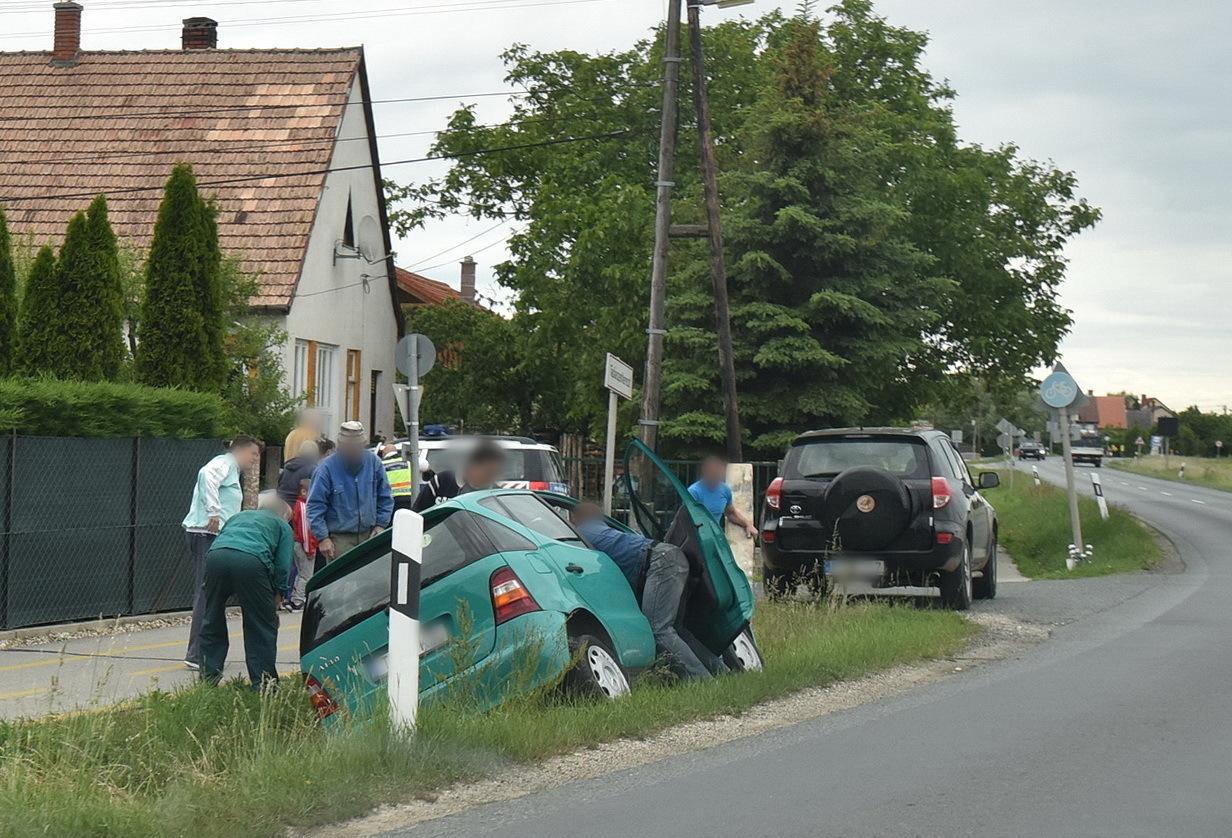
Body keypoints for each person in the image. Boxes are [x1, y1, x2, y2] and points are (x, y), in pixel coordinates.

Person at [570, 503, 719, 681]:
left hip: (660, 563)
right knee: (676, 630)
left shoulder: (583, 533)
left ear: (575, 519)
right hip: (669, 557)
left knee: (658, 630)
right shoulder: (605, 530)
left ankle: (702, 679)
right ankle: (720, 670)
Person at [181, 434, 262, 671]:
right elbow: (207, 474)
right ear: (240, 450)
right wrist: (213, 512)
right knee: (207, 592)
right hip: (206, 534)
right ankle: (197, 654)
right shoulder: (225, 463)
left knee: (211, 592)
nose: (255, 459)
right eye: (253, 454)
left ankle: (203, 653)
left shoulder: (232, 469)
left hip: (212, 535)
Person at [197, 496, 294, 689]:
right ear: (283, 515)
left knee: (212, 619)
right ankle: (264, 685)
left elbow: (222, 538)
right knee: (260, 625)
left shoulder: (238, 516)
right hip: (251, 562)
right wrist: (278, 594)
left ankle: (207, 680)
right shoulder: (282, 526)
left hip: (216, 558)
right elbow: (283, 565)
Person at [306, 421, 393, 563]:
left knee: (371, 576)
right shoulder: (325, 468)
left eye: (357, 446)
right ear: (341, 444)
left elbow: (385, 496)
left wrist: (381, 524)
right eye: (349, 446)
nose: (353, 450)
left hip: (370, 534)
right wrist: (323, 538)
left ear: (363, 443)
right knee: (343, 577)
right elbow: (315, 505)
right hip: (339, 539)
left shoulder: (374, 462)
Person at [412, 440, 505, 511]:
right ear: (474, 465)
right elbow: (418, 513)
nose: (494, 476)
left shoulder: (496, 495)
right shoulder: (442, 481)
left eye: (497, 472)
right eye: (490, 471)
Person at [688, 455, 758, 539]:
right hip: (696, 537)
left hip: (715, 538)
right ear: (704, 472)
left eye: (717, 473)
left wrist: (748, 524)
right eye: (712, 472)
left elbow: (731, 513)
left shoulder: (725, 490)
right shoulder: (694, 492)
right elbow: (688, 519)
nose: (715, 476)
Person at [286, 477, 318, 610]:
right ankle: (298, 601)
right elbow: (305, 530)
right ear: (304, 492)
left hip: (300, 543)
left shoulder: (299, 505)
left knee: (300, 573)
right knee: (306, 575)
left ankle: (293, 597)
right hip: (304, 544)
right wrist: (309, 549)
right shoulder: (304, 507)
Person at [276, 439, 319, 505]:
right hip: (298, 505)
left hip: (281, 503)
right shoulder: (313, 469)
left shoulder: (287, 467)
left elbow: (279, 486)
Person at [380, 443, 415, 512]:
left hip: (391, 500)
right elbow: (425, 466)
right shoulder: (407, 461)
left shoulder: (381, 464)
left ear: (384, 453)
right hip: (408, 497)